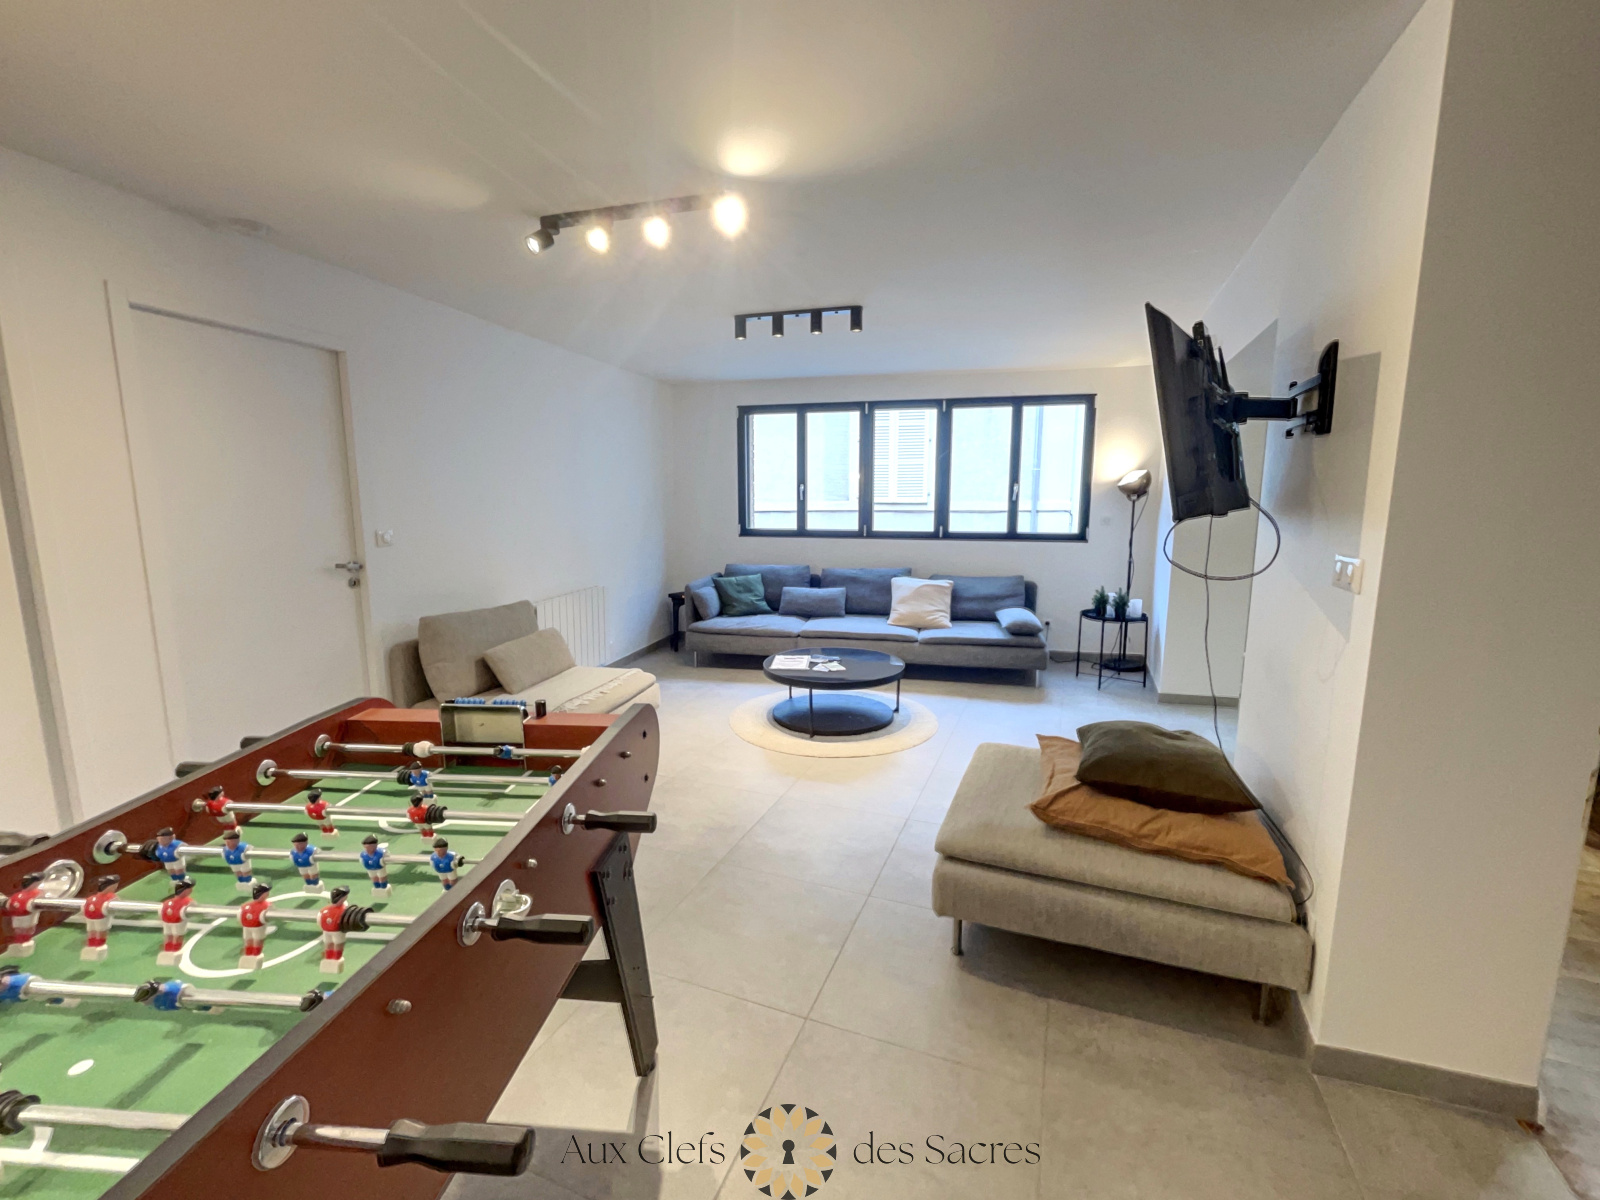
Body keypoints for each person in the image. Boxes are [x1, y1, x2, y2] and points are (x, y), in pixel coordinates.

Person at [3, 872, 46, 958]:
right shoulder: (19, 897)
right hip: (22, 916)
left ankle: (21, 943)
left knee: (25, 930)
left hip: (24, 916)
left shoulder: (34, 894)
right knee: (23, 930)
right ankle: (20, 944)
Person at [80, 873, 120, 962]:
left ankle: (91, 946)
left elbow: (84, 907)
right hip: (100, 916)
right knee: (100, 930)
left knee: (92, 930)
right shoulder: (110, 897)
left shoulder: (90, 898)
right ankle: (99, 946)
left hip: (89, 916)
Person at [156, 878, 195, 966]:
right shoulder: (188, 901)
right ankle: (175, 953)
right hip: (177, 920)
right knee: (178, 936)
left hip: (166, 919)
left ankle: (167, 952)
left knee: (168, 936)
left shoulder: (167, 902)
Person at [238, 881, 272, 970]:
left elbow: (240, 915)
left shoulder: (246, 906)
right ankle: (255, 956)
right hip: (257, 926)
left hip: (246, 926)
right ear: (263, 894)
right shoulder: (266, 905)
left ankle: (248, 956)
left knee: (248, 940)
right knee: (257, 940)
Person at [318, 886, 351, 975]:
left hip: (326, 931)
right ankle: (336, 958)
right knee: (338, 944)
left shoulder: (324, 910)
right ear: (342, 898)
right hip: (337, 931)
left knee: (328, 944)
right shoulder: (344, 910)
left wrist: (324, 927)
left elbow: (319, 921)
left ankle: (328, 958)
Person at [359, 835, 390, 900]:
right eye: (366, 848)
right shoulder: (363, 854)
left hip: (380, 867)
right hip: (370, 868)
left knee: (382, 877)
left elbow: (387, 856)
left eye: (369, 847)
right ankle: (377, 887)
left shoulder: (381, 853)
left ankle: (384, 887)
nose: (367, 849)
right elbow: (361, 861)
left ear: (374, 846)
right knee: (373, 877)